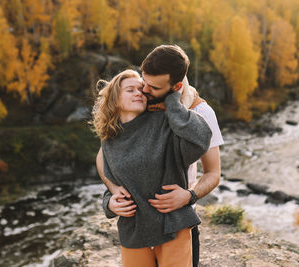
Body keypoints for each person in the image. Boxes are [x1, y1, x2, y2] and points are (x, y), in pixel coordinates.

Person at [96, 44, 224, 267]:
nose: (143, 90)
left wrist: (189, 195)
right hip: (137, 229)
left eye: (151, 87)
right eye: (141, 83)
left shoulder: (200, 112)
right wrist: (113, 194)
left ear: (175, 87)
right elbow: (107, 158)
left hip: (176, 215)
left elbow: (213, 172)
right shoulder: (141, 104)